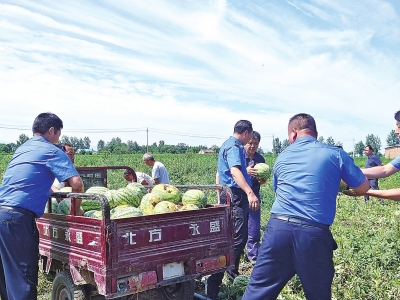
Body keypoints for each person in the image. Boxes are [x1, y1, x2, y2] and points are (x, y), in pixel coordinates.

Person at [242, 113, 369, 300]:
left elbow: (279, 190)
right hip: (314, 234)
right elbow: (364, 187)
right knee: (318, 294)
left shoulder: (282, 156)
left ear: (293, 133)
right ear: (315, 133)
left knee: (257, 292)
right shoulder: (335, 153)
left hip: (278, 230)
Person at [0, 112, 84, 300]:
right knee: (23, 278)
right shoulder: (52, 150)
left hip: (2, 213)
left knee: (8, 277)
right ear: (51, 130)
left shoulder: (22, 149)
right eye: (58, 135)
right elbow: (77, 184)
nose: (58, 139)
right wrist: (76, 210)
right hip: (17, 220)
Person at [206, 120, 259, 300]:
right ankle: (215, 279)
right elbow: (235, 172)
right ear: (246, 132)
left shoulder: (229, 145)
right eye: (251, 135)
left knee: (235, 238)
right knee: (236, 239)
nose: (251, 139)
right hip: (235, 196)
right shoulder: (235, 146)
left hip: (233, 195)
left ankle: (227, 273)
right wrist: (250, 193)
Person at [345, 110, 400, 201]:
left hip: (373, 180)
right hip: (369, 178)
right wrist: (349, 172)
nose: (396, 131)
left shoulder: (374, 157)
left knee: (374, 187)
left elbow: (382, 167)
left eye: (399, 127)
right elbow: (385, 170)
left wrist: (365, 192)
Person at [243, 131, 266, 263]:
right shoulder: (239, 156)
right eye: (250, 143)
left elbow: (262, 180)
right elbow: (231, 173)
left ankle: (253, 255)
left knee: (254, 226)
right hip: (240, 195)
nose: (252, 146)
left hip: (254, 195)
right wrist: (245, 171)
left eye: (255, 144)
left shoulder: (260, 159)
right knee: (238, 226)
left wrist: (262, 180)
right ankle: (237, 252)